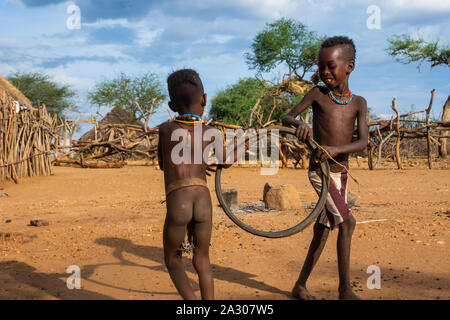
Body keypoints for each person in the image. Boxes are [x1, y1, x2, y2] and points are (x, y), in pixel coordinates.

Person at [282, 36, 368, 300]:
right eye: (322, 67)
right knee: (348, 222)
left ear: (349, 67)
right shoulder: (318, 94)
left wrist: (338, 150)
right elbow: (287, 116)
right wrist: (300, 126)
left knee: (323, 229)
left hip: (340, 174)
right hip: (320, 172)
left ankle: (299, 286)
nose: (325, 72)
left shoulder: (359, 103)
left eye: (331, 66)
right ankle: (345, 290)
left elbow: (363, 142)